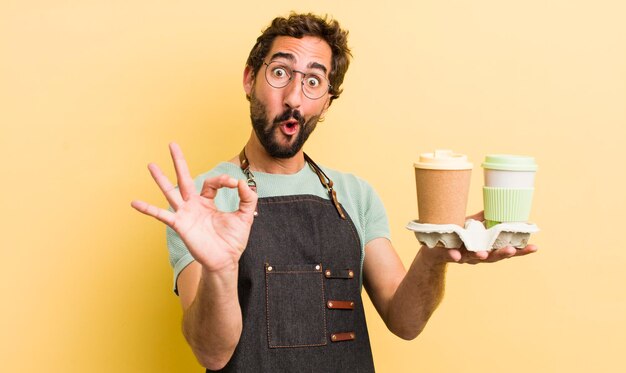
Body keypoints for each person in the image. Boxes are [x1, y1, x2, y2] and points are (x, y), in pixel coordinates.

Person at [131, 13, 538, 372]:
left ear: (325, 103)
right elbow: (212, 354)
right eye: (279, 73)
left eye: (313, 81)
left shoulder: (353, 195)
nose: (293, 97)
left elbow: (405, 321)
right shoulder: (202, 203)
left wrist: (434, 253)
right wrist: (220, 270)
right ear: (249, 78)